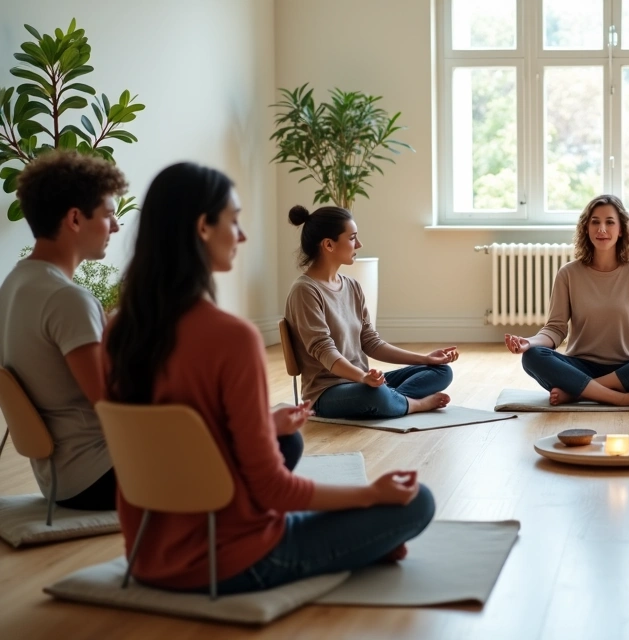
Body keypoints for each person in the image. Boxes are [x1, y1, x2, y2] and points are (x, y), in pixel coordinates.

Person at [105, 163, 433, 594]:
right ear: (203, 227)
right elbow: (275, 490)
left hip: (147, 554)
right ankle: (359, 544)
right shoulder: (232, 338)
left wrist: (264, 425)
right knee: (418, 500)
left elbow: (174, 439)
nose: (241, 236)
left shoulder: (118, 329)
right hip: (235, 559)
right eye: (234, 220)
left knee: (287, 440)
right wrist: (371, 494)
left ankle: (357, 542)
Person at [0, 151, 126, 510]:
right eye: (108, 214)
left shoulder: (13, 285)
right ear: (74, 218)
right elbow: (114, 405)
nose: (116, 226)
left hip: (60, 478)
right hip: (102, 475)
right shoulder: (67, 299)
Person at [504, 194, 629, 406]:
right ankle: (620, 398)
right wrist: (529, 343)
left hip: (627, 369)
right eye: (595, 222)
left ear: (621, 229)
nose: (602, 229)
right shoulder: (568, 273)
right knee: (532, 356)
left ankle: (579, 392)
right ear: (586, 228)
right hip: (579, 367)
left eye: (610, 222)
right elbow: (555, 329)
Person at [285, 205, 456, 420]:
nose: (359, 244)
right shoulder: (305, 291)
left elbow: (371, 342)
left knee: (442, 371)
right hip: (327, 393)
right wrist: (363, 377)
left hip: (362, 383)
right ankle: (415, 404)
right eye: (352, 238)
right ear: (328, 244)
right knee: (375, 395)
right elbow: (324, 351)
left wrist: (426, 358)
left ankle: (393, 401)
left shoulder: (352, 286)